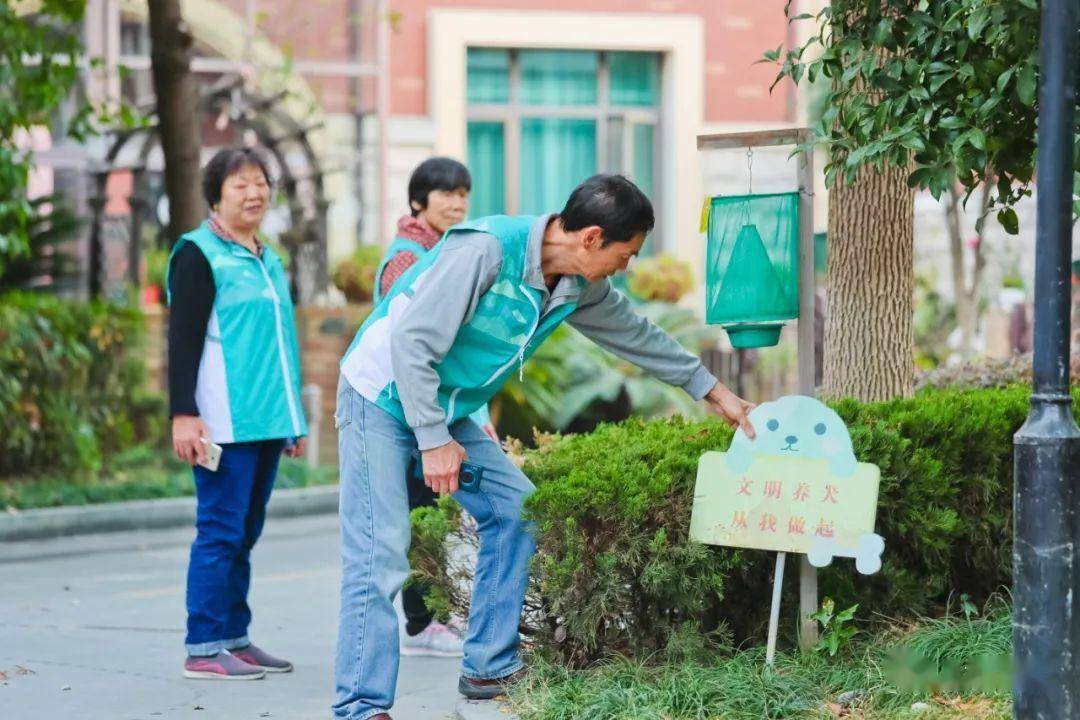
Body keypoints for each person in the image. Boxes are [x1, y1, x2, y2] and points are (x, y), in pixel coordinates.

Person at [332, 174, 755, 720]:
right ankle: (361, 707)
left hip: (446, 404)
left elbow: (634, 332)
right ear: (591, 238)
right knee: (378, 554)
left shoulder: (576, 285)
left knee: (518, 509)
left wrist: (714, 391)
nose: (624, 268)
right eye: (624, 255)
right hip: (381, 396)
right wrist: (433, 439)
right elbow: (411, 342)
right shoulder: (486, 250)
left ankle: (488, 665)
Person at [167, 147, 308, 681]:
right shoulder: (198, 253)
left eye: (260, 183)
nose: (253, 194)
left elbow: (280, 343)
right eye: (239, 185)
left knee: (245, 533)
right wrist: (184, 413)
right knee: (219, 531)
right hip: (222, 420)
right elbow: (181, 340)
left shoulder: (266, 257)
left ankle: (234, 637)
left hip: (268, 418)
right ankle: (202, 645)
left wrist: (293, 418)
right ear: (216, 196)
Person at [374, 157, 491, 659]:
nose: (457, 202)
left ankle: (431, 618)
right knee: (419, 517)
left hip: (436, 409)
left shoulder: (446, 250)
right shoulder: (406, 258)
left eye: (463, 192)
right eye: (445, 192)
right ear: (418, 201)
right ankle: (422, 623)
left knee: (434, 516)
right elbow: (412, 342)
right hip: (405, 411)